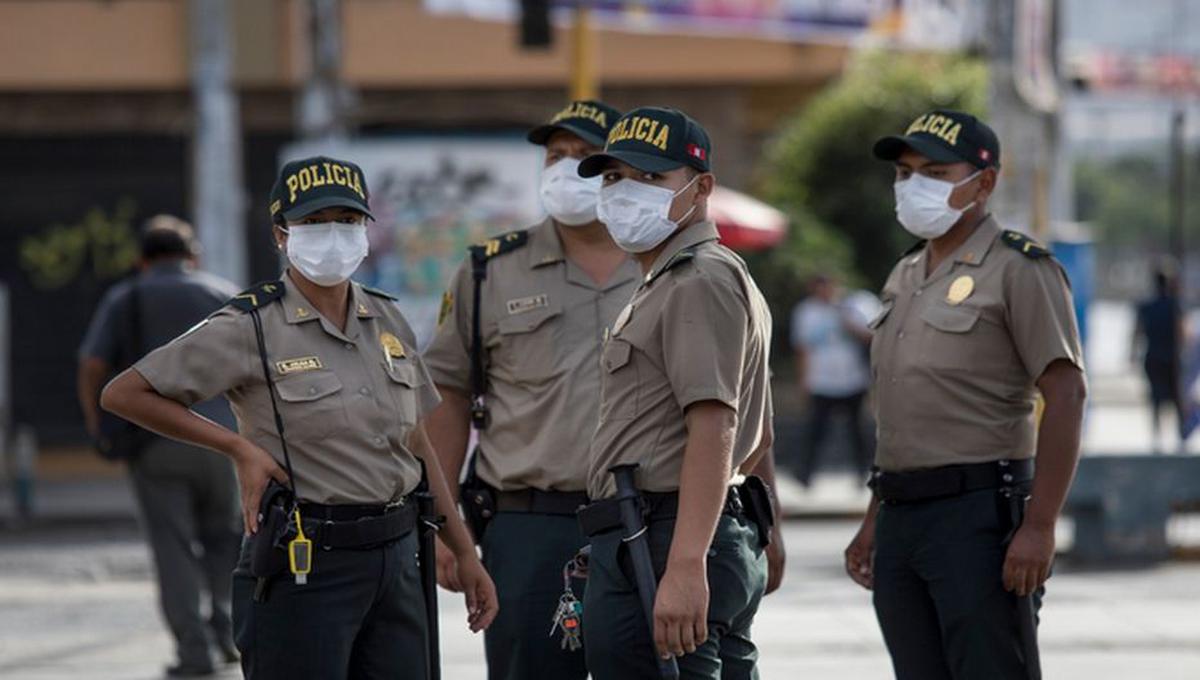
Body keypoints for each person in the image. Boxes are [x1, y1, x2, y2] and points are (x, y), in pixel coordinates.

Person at [100, 155, 498, 680]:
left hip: (399, 559)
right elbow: (125, 393)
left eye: (347, 220)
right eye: (314, 222)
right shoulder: (252, 326)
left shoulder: (386, 317)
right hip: (306, 564)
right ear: (282, 235)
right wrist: (237, 448)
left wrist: (464, 552)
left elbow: (417, 442)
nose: (333, 235)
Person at [844, 110, 1087, 680]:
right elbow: (906, 413)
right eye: (904, 172)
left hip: (979, 513)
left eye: (933, 170)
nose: (911, 185)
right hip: (903, 512)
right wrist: (876, 517)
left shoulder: (1020, 267)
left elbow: (1067, 392)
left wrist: (1041, 525)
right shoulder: (907, 272)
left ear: (983, 182)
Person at [421, 99, 638, 680]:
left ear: (621, 168)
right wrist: (446, 525)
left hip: (646, 519)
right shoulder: (490, 270)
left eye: (586, 155)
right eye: (555, 156)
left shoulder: (666, 262)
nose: (566, 169)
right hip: (529, 524)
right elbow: (447, 395)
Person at [574, 106, 781, 679]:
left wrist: (686, 565)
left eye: (648, 178)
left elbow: (717, 425)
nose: (624, 193)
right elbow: (752, 422)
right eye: (613, 178)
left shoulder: (698, 279)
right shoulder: (672, 279)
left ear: (701, 188)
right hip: (666, 534)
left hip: (666, 538)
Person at [77, 217, 241, 677]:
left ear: (142, 260)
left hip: (156, 442)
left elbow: (92, 363)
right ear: (194, 256)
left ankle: (194, 651)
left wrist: (98, 423)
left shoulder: (124, 297)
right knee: (225, 540)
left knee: (174, 547)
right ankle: (227, 634)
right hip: (225, 442)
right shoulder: (224, 294)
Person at [790, 273, 874, 486]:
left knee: (858, 431)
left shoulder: (855, 305)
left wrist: (846, 321)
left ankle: (863, 471)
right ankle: (804, 473)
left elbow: (871, 337)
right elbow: (802, 349)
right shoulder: (806, 312)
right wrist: (803, 382)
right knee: (816, 430)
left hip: (853, 379)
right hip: (821, 381)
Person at [1133, 265, 1184, 453]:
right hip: (1171, 357)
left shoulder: (1146, 306)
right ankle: (1180, 436)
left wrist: (1131, 355)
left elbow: (1137, 332)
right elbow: (1181, 333)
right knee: (1176, 397)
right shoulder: (1174, 305)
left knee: (1155, 397)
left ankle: (1157, 437)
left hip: (1152, 355)